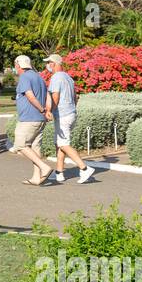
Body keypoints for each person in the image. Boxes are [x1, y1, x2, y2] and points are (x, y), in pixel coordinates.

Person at [45, 53, 95, 184]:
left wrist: (50, 110)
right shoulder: (68, 77)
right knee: (60, 143)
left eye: (49, 63)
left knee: (63, 144)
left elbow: (55, 96)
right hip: (71, 113)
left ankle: (84, 168)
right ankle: (59, 172)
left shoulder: (56, 77)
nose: (47, 65)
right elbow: (75, 97)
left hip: (62, 115)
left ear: (54, 64)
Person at [10, 54, 54, 185]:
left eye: (15, 65)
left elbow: (29, 95)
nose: (15, 68)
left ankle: (44, 167)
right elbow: (47, 95)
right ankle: (36, 177)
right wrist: (47, 110)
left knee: (20, 145)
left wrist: (42, 109)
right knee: (35, 148)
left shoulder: (24, 77)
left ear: (19, 65)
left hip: (29, 118)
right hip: (39, 119)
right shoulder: (38, 76)